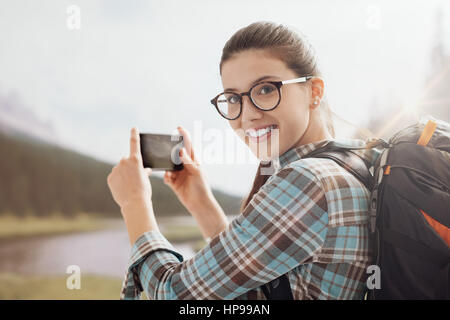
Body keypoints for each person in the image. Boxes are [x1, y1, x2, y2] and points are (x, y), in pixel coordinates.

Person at [107, 21, 381, 300]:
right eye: (233, 99)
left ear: (314, 91)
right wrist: (200, 203)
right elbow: (255, 285)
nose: (246, 115)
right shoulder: (353, 161)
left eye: (265, 89)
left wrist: (134, 204)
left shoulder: (309, 181)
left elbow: (174, 295)